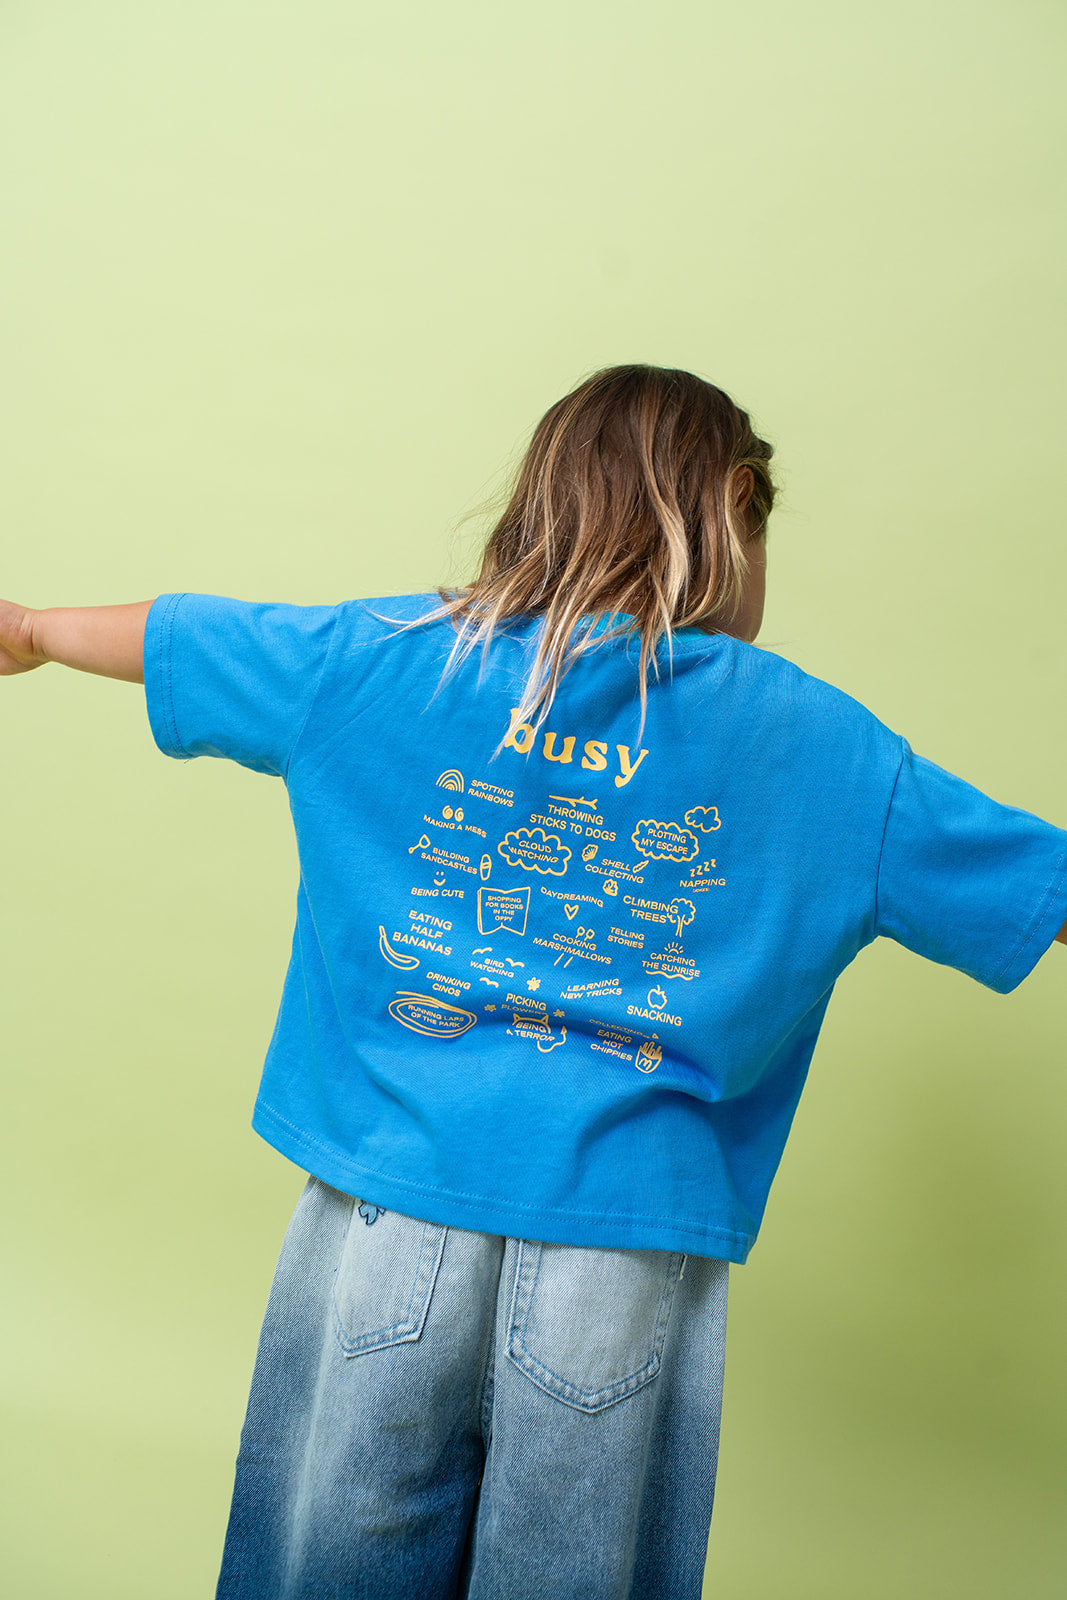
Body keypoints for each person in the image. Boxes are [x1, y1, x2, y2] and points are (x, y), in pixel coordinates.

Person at [2, 363, 1064, 1600]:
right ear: (727, 507)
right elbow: (1032, 886)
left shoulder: (397, 659)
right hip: (618, 1255)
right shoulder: (817, 742)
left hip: (388, 1215)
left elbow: (186, 633)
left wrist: (26, 632)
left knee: (334, 1566)